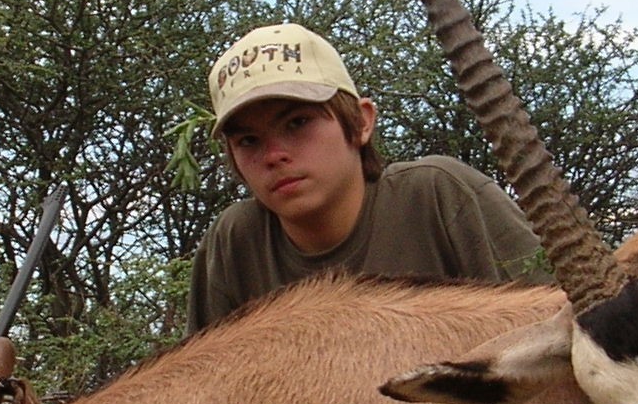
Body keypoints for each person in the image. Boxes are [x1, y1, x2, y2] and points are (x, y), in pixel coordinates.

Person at [187, 22, 550, 332]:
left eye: (298, 123)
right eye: (248, 140)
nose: (273, 155)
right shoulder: (235, 243)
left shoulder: (441, 195)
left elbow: (560, 321)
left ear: (361, 122)